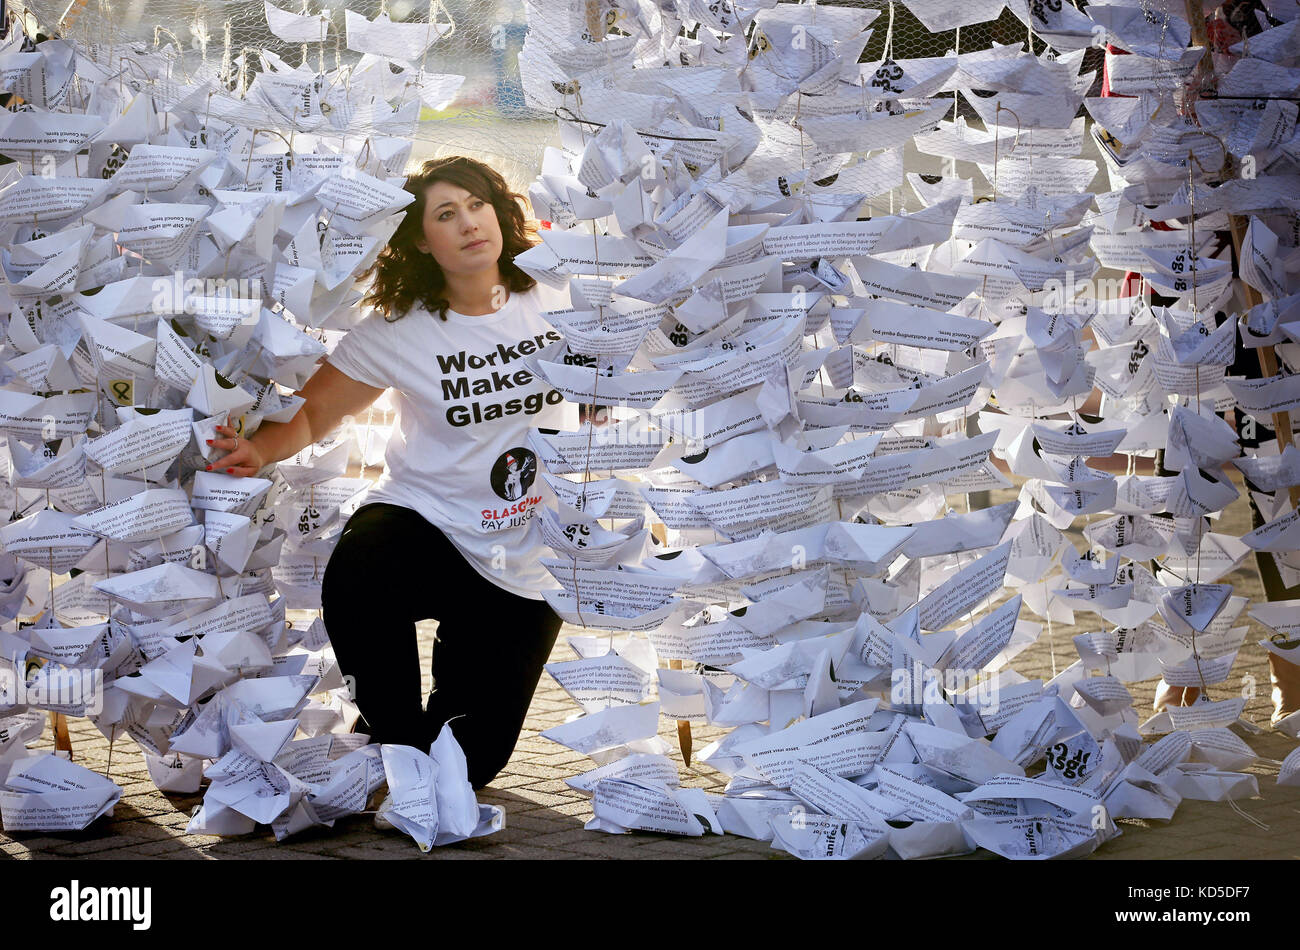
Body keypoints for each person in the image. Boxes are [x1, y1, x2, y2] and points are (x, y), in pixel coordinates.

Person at [206, 155, 570, 789]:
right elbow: (315, 415)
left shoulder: (561, 296)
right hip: (428, 522)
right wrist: (259, 450)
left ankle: (430, 751)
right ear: (421, 241)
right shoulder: (399, 330)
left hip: (528, 555)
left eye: (477, 204)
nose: (468, 224)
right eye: (445, 214)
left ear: (502, 214)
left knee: (470, 765)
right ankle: (391, 735)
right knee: (364, 564)